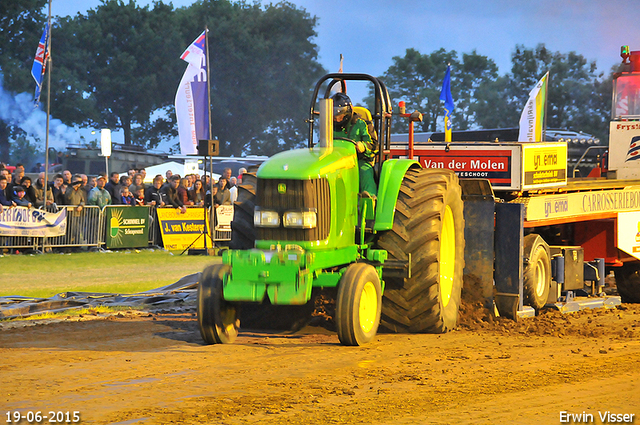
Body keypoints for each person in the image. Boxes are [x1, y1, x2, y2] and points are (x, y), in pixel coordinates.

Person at [331, 92, 378, 197]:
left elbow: (374, 146)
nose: (337, 119)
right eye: (335, 117)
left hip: (358, 160)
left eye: (340, 116)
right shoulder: (327, 126)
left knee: (365, 172)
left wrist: (364, 146)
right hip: (335, 162)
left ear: (348, 112)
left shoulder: (361, 124)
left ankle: (369, 200)